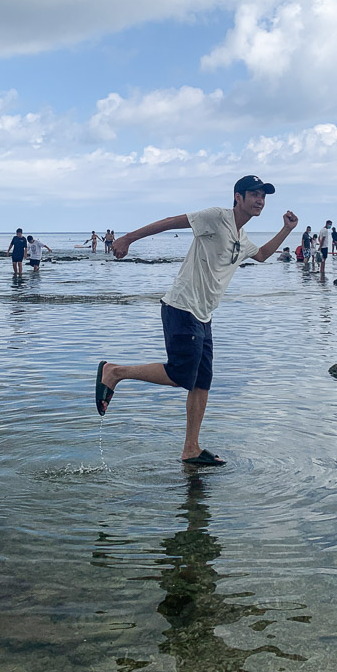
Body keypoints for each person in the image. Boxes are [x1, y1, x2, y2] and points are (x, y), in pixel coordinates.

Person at [95, 175, 298, 466]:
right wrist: (128, 238)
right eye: (253, 194)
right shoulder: (216, 217)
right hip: (182, 307)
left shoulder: (241, 237)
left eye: (263, 196)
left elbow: (264, 255)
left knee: (202, 382)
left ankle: (191, 448)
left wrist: (286, 229)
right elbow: (169, 222)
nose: (260, 200)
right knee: (180, 374)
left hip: (203, 316)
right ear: (238, 197)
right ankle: (114, 372)